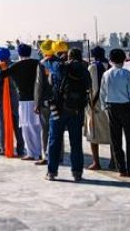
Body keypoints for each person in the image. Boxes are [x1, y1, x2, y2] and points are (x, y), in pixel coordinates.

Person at [46, 47, 90, 181]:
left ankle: (52, 172)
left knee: (55, 141)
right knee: (76, 142)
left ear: (68, 56)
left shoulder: (60, 67)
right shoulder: (84, 71)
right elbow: (88, 86)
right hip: (77, 110)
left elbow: (48, 62)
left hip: (59, 109)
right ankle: (77, 172)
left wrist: (60, 58)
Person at [100, 48, 130, 177]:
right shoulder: (126, 74)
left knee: (116, 139)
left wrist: (104, 108)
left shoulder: (106, 74)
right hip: (127, 108)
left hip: (112, 107)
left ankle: (121, 168)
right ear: (123, 59)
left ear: (110, 60)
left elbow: (102, 93)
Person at [1, 44, 42, 161]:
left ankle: (31, 153)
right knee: (38, 127)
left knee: (26, 128)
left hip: (24, 101)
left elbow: (2, 75)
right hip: (37, 99)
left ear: (19, 53)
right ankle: (40, 152)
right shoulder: (37, 63)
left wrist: (3, 66)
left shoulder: (16, 66)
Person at [85, 46, 112, 170]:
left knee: (93, 133)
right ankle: (114, 160)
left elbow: (91, 86)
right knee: (112, 132)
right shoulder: (110, 66)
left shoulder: (93, 67)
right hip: (109, 103)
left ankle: (96, 162)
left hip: (95, 103)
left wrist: (91, 102)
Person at [0, 47, 20, 157]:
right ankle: (20, 147)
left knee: (3, 124)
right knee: (17, 124)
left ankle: (4, 147)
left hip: (2, 99)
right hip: (15, 98)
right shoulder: (14, 65)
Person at [33, 40, 57, 165]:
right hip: (58, 102)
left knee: (45, 130)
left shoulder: (42, 64)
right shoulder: (60, 62)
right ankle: (59, 155)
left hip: (46, 103)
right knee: (57, 129)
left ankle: (46, 155)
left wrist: (37, 103)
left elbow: (39, 85)